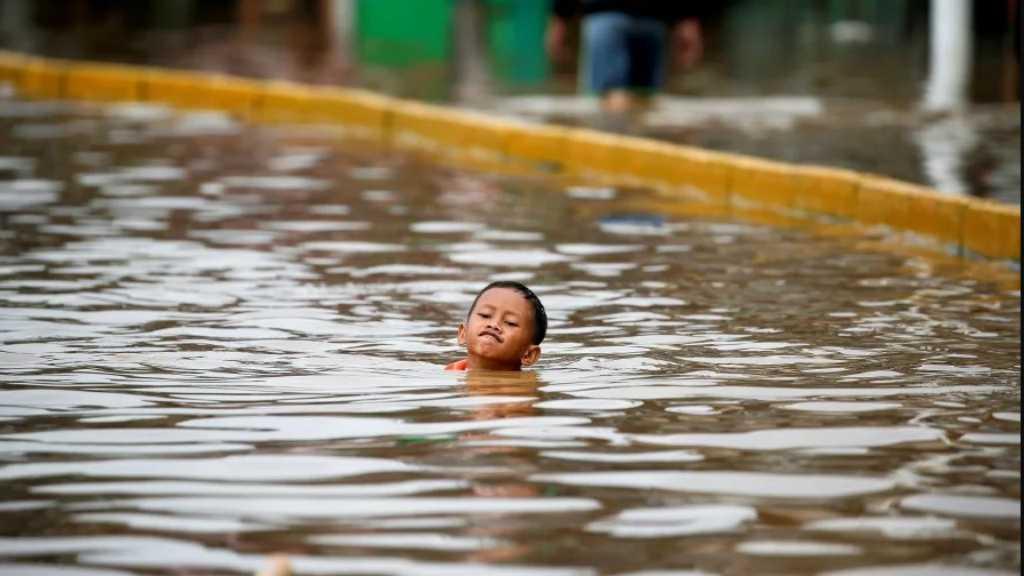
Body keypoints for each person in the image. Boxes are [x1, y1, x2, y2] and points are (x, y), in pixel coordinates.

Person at [546, 0, 704, 118]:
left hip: (607, 14)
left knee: (613, 97)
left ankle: (613, 157)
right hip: (652, 19)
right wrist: (688, 19)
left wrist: (560, 18)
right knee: (645, 102)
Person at [446, 281, 548, 371]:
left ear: (528, 355)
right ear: (463, 333)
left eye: (510, 322)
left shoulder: (524, 388)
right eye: (485, 315)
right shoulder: (449, 375)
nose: (494, 324)